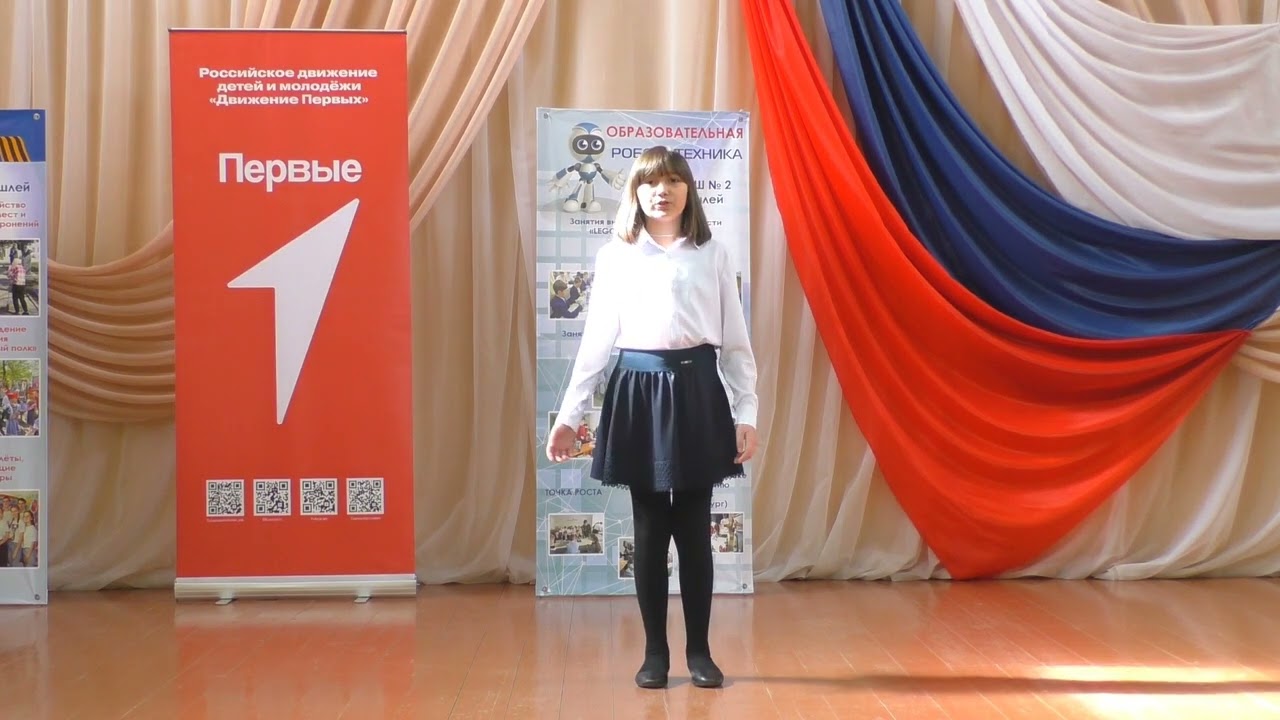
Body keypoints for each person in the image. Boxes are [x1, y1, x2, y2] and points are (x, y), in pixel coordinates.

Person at [546, 145, 758, 690]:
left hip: (698, 391)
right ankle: (654, 654)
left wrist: (747, 412)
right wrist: (570, 415)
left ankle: (700, 652)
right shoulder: (615, 255)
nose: (662, 191)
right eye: (650, 182)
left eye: (673, 181)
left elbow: (736, 344)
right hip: (637, 392)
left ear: (689, 190)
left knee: (693, 529)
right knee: (648, 529)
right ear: (635, 192)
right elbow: (596, 342)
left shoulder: (712, 253)